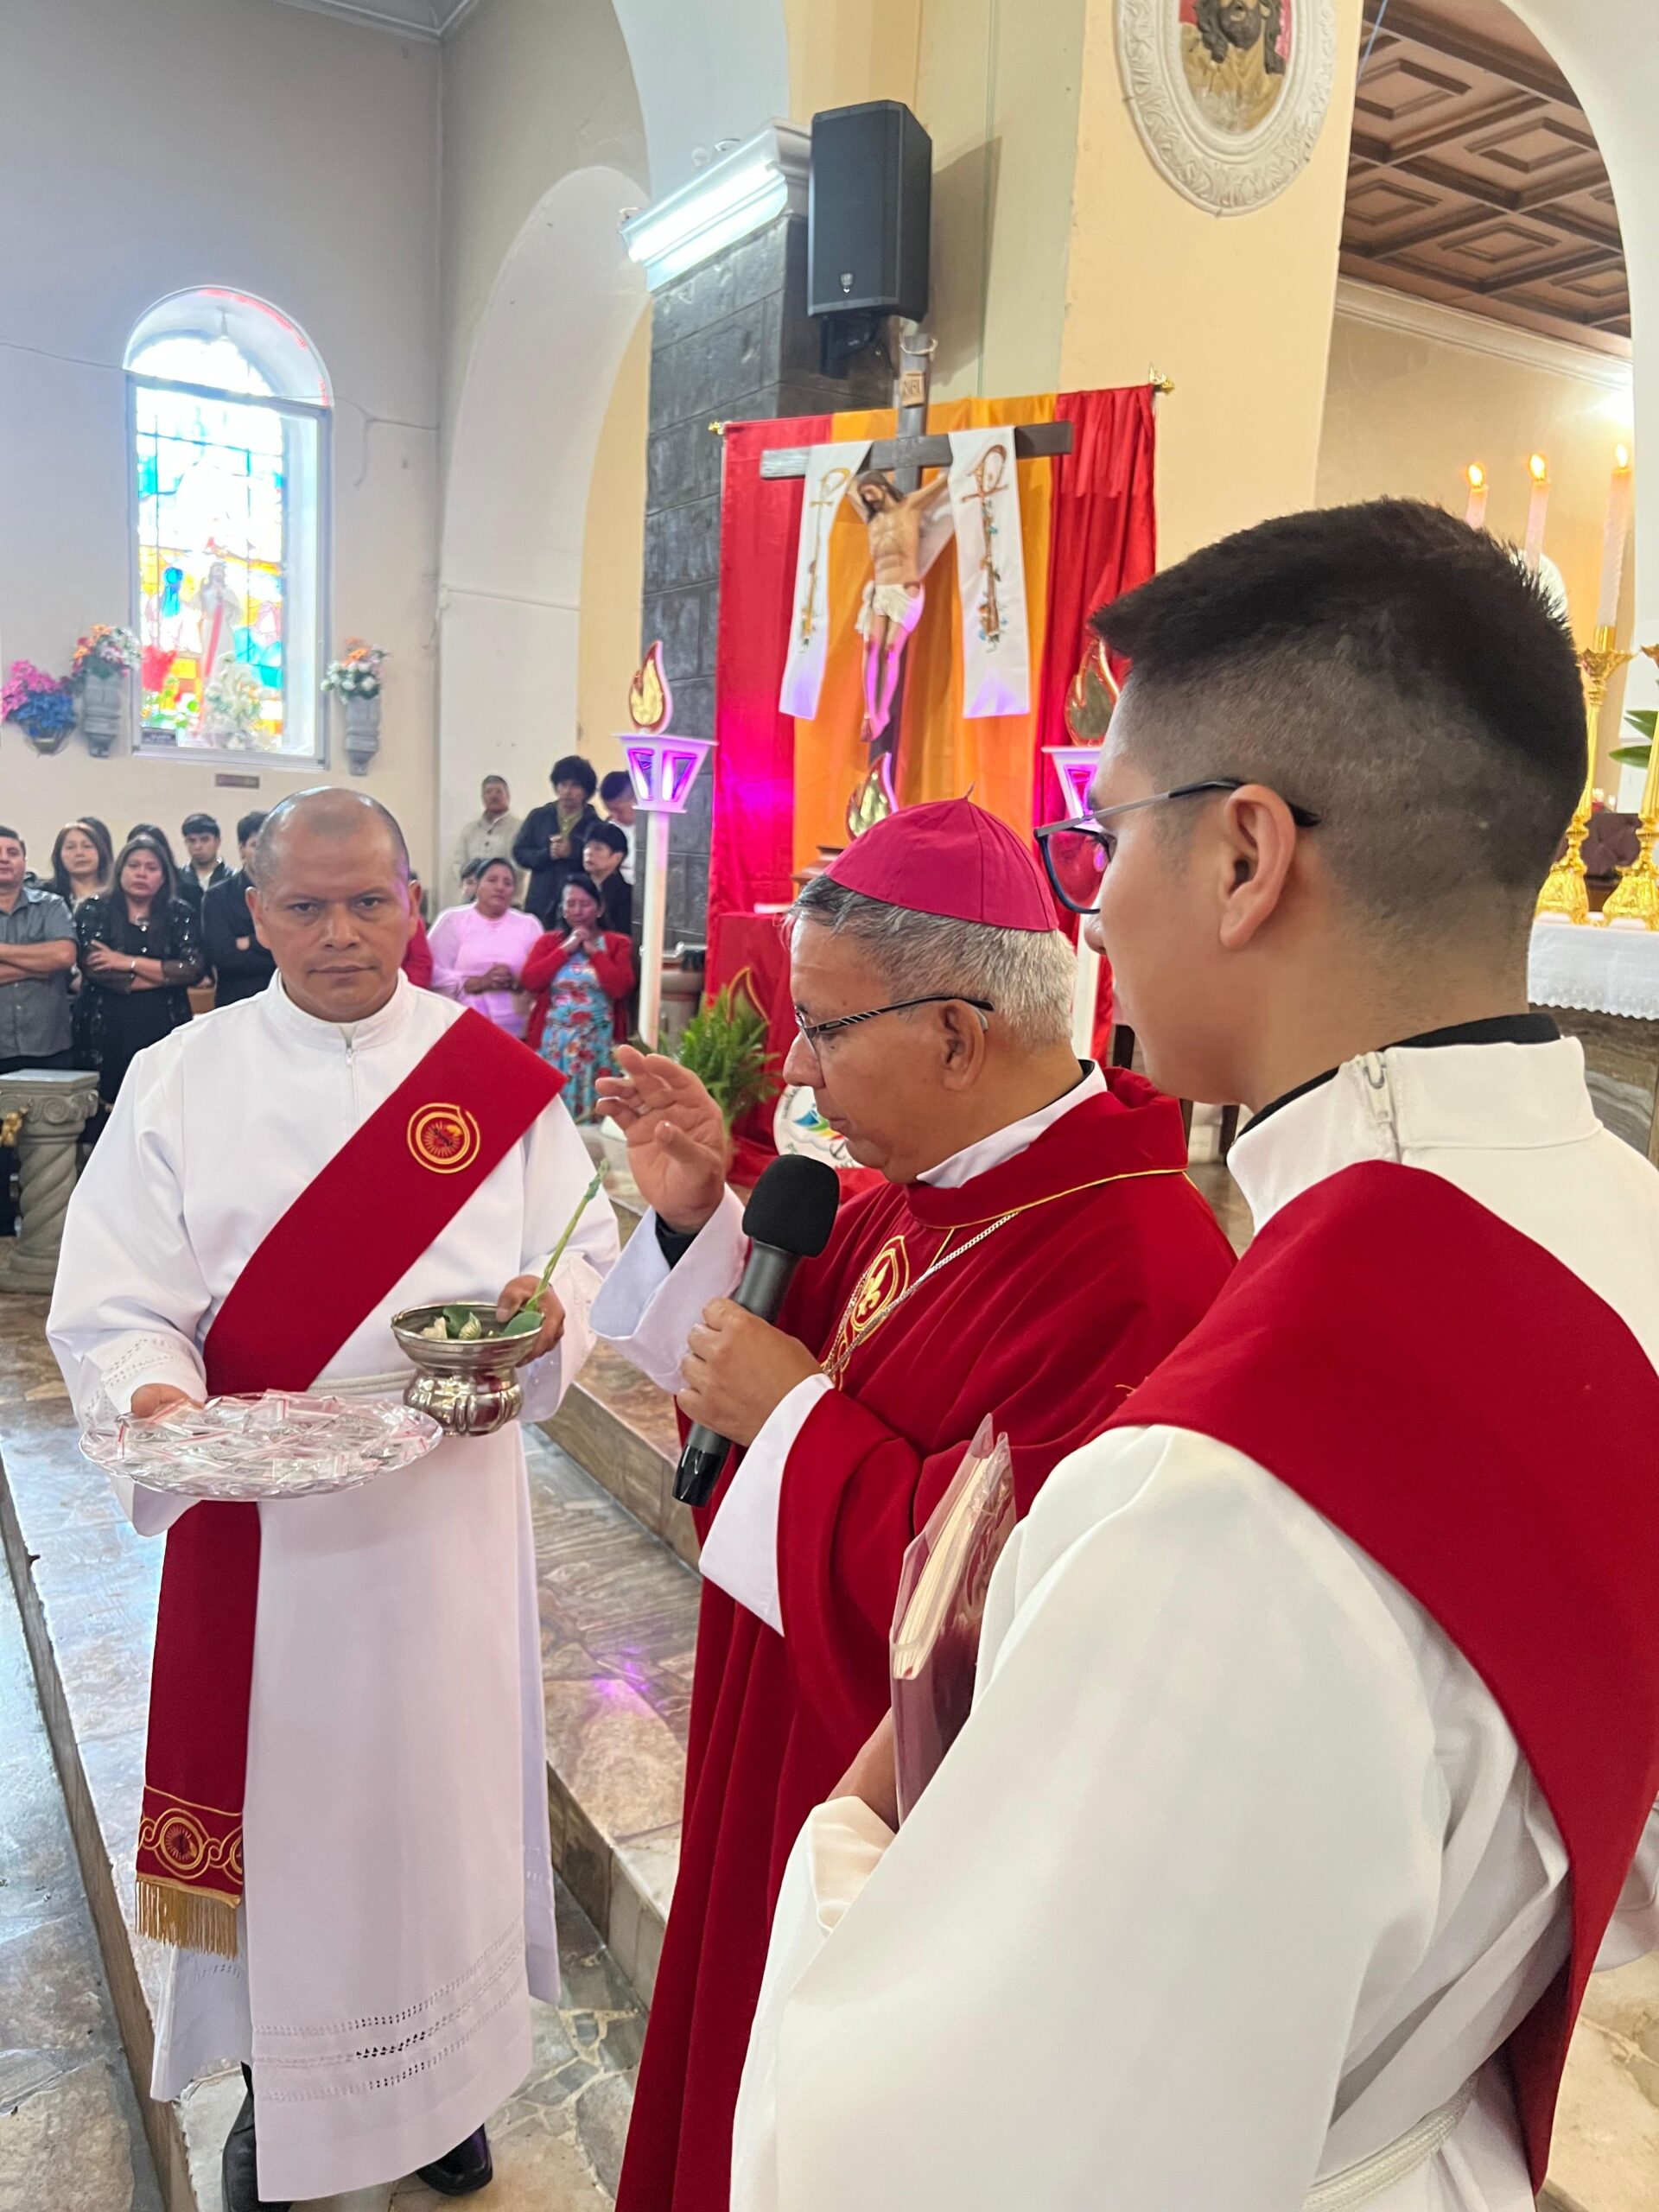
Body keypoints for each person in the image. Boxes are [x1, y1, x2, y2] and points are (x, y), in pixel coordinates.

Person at [733, 504, 1659, 2212]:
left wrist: (861, 1828)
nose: (1085, 915)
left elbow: (935, 2161)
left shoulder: (1226, 1498)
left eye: (1103, 838)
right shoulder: (1627, 1238)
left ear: (1246, 856)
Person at [588, 798, 1236, 2212]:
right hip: (777, 1738)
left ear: (956, 1033)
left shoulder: (1135, 1264)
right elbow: (787, 1341)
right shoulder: (922, 1189)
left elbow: (1034, 1614)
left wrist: (795, 1419)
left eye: (823, 1028)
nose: (794, 1067)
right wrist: (706, 1214)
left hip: (891, 1838)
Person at [48, 786, 620, 2211]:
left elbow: (579, 1243)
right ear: (256, 919)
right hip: (267, 1540)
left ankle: (446, 2089)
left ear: (414, 904)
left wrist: (552, 1322)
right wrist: (166, 1404)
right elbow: (113, 1297)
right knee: (282, 1813)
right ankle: (276, 2094)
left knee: (443, 1807)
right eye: (306, 905)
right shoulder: (187, 1078)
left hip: (445, 1530)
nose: (342, 931)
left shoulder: (487, 1078)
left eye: (370, 899)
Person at [75, 834, 203, 1118]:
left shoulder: (180, 913)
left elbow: (193, 969)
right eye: (134, 866)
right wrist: (163, 973)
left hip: (163, 1023)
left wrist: (126, 961)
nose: (141, 873)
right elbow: (98, 970)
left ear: (163, 875)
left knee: (160, 1107)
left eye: (151, 867)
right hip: (106, 1024)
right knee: (108, 1111)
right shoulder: (95, 910)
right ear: (120, 870)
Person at [0, 828, 78, 1232]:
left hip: (47, 1045)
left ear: (24, 860)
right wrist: (34, 961)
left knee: (45, 1152)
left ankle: (43, 1238)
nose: (4, 858)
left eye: (12, 851)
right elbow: (48, 958)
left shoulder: (51, 904)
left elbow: (63, 956)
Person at [522, 874, 634, 1120]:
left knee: (596, 1111)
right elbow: (531, 980)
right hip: (555, 1042)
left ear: (599, 908)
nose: (577, 910)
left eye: (585, 904)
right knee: (551, 1115)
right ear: (562, 909)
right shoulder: (549, 942)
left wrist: (595, 954)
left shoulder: (617, 944)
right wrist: (566, 949)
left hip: (599, 1042)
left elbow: (620, 987)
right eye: (570, 904)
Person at [429, 856, 543, 1039]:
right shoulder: (453, 920)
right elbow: (431, 971)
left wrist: (516, 980)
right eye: (492, 880)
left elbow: (541, 973)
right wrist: (478, 982)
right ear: (476, 886)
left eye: (507, 883)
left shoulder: (528, 924)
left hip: (516, 1029)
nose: (500, 887)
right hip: (464, 1025)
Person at [513, 754, 601, 924]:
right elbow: (519, 852)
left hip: (578, 907)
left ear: (586, 790)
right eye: (563, 785)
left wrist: (573, 851)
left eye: (575, 786)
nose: (568, 791)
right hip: (540, 902)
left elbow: (599, 862)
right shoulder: (539, 816)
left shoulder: (594, 823)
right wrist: (547, 854)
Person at [200, 811, 274, 1007]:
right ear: (242, 849)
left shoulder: (295, 893)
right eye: (256, 845)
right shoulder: (218, 896)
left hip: (284, 998)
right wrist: (273, 943)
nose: (264, 853)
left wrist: (248, 941)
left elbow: (298, 950)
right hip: (236, 998)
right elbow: (223, 957)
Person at [447, 773, 523, 906]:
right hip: (471, 903)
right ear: (482, 798)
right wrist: (472, 884)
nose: (494, 796)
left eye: (499, 792)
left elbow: (519, 866)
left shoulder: (519, 828)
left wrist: (494, 885)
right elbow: (458, 864)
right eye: (488, 792)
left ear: (508, 796)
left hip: (507, 904)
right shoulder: (470, 830)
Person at [582, 821, 634, 936]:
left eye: (598, 848)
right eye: (587, 846)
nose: (588, 852)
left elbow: (622, 933)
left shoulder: (626, 894)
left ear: (617, 857)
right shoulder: (573, 886)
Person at [49, 818, 113, 908]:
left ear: (100, 852)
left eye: (87, 846)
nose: (79, 853)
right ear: (59, 855)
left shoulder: (116, 897)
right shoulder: (47, 898)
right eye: (70, 847)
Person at [178, 811, 231, 912]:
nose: (198, 846)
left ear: (218, 842)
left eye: (205, 840)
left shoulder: (232, 879)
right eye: (192, 841)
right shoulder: (177, 879)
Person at [599, 767, 637, 885]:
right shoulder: (608, 830)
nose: (614, 816)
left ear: (635, 799)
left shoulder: (656, 826)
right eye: (610, 811)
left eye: (618, 810)